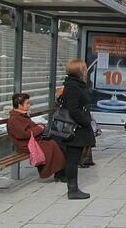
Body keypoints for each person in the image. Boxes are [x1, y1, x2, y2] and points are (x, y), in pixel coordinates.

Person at [6, 93, 66, 182]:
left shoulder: (21, 116)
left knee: (57, 143)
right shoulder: (15, 119)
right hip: (25, 145)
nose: (29, 105)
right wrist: (39, 128)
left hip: (32, 141)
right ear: (19, 105)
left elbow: (32, 127)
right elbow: (24, 134)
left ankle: (60, 172)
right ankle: (58, 173)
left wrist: (39, 127)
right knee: (52, 145)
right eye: (27, 103)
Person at [62, 59, 95, 199]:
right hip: (76, 129)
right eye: (84, 68)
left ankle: (73, 188)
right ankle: (72, 189)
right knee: (73, 159)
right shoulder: (73, 87)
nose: (86, 70)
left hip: (79, 127)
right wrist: (86, 122)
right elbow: (74, 110)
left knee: (74, 159)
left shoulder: (76, 85)